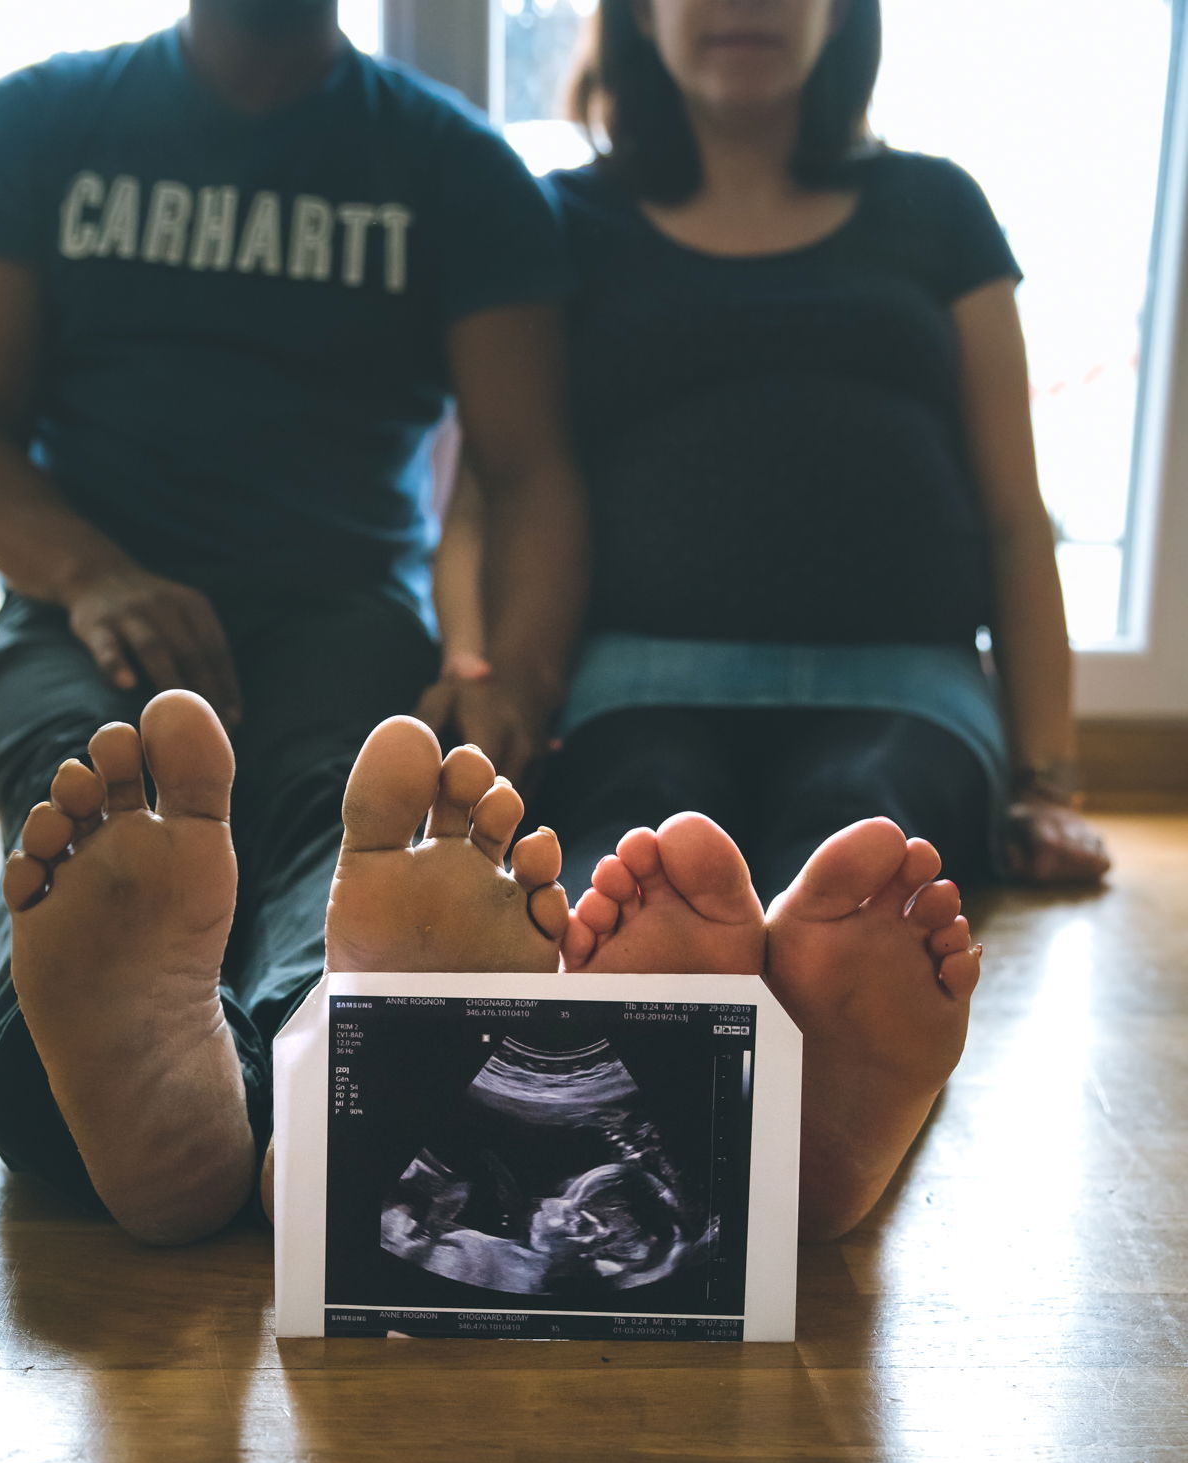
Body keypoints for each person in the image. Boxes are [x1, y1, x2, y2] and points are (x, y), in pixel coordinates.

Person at [0, 0, 586, 1233]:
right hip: (90, 609)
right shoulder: (36, 124)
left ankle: (260, 1072)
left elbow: (528, 465)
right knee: (84, 799)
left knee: (341, 810)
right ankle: (261, 1088)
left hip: (347, 613)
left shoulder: (454, 166)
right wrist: (94, 574)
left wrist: (511, 674)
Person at [436, 0, 1113, 906]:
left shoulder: (939, 208)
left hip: (906, 686)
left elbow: (1015, 519)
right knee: (638, 845)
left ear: (840, 16)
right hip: (637, 682)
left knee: (862, 833)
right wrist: (477, 674)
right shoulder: (562, 222)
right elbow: (493, 490)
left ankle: (826, 994)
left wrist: (1045, 783)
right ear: (639, 14)